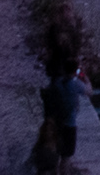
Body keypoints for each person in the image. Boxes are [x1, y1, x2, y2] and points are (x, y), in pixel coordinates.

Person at [32, 22, 84, 172]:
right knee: (65, 155)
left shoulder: (56, 81)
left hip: (56, 115)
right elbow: (87, 90)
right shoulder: (73, 83)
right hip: (67, 121)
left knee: (55, 148)